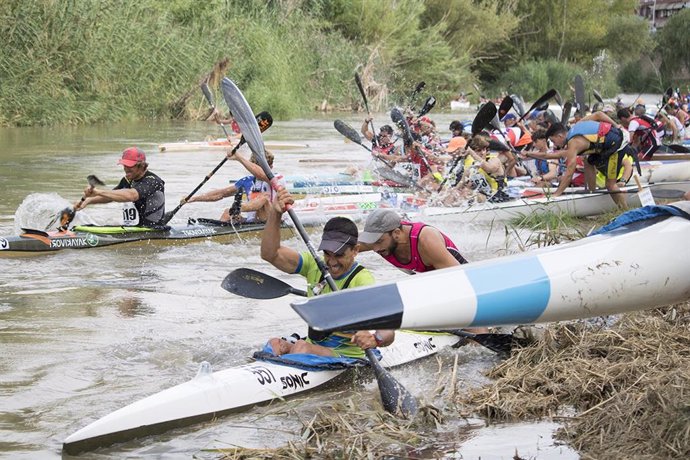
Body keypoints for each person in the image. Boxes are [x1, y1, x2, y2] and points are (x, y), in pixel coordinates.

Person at [260, 187, 394, 357]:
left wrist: (376, 339)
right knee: (274, 344)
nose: (331, 262)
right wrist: (275, 213)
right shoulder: (314, 264)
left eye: (339, 255)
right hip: (312, 345)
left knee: (301, 348)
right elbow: (269, 254)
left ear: (355, 250)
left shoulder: (362, 280)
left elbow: (389, 328)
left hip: (346, 354)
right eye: (327, 254)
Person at [545, 113, 635, 209]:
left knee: (610, 185)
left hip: (616, 145)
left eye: (553, 141)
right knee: (588, 161)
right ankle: (592, 192)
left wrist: (557, 194)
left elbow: (569, 172)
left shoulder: (573, 142)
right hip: (608, 144)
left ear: (559, 136)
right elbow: (598, 115)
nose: (555, 145)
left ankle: (625, 210)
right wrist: (615, 125)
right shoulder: (577, 126)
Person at [358, 208, 468, 274]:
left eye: (379, 242)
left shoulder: (426, 240)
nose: (375, 249)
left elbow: (459, 279)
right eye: (371, 242)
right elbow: (343, 248)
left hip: (463, 276)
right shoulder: (377, 242)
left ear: (396, 233)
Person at [75, 147, 165, 226]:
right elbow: (111, 197)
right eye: (124, 165)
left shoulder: (153, 181)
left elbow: (132, 195)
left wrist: (98, 191)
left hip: (153, 229)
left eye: (130, 166)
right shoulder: (127, 180)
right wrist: (88, 201)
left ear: (142, 166)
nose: (126, 168)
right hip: (135, 228)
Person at [186, 150, 275, 223]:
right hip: (253, 221)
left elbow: (261, 175)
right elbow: (221, 193)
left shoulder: (275, 179)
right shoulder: (247, 180)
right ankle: (218, 234)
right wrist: (194, 198)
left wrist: (238, 157)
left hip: (272, 220)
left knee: (264, 199)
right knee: (227, 212)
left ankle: (240, 207)